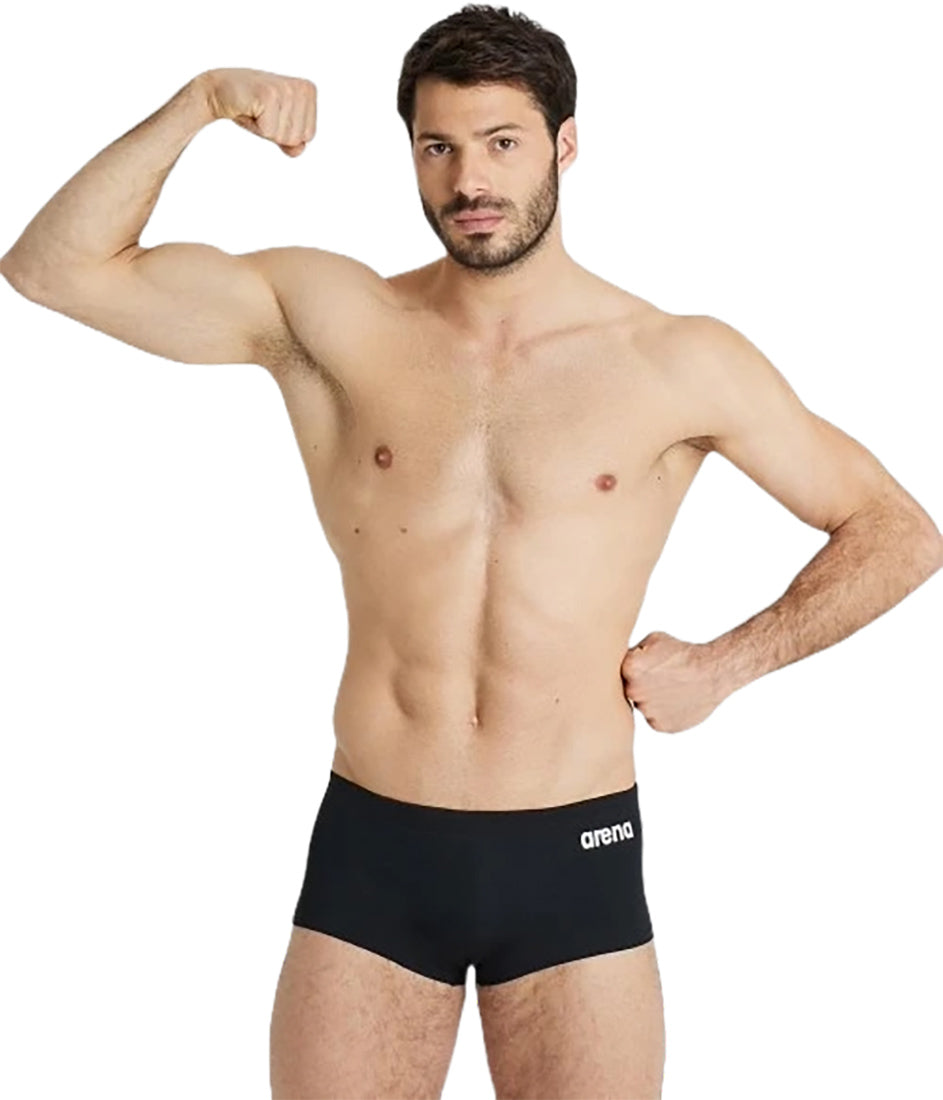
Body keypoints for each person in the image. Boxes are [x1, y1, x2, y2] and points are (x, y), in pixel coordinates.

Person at [2, 5, 940, 1098]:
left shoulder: (676, 359)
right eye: (437, 147)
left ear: (564, 145)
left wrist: (728, 663)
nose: (469, 180)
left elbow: (895, 530)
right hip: (374, 850)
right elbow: (53, 268)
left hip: (575, 854)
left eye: (501, 142)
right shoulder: (334, 319)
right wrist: (200, 101)